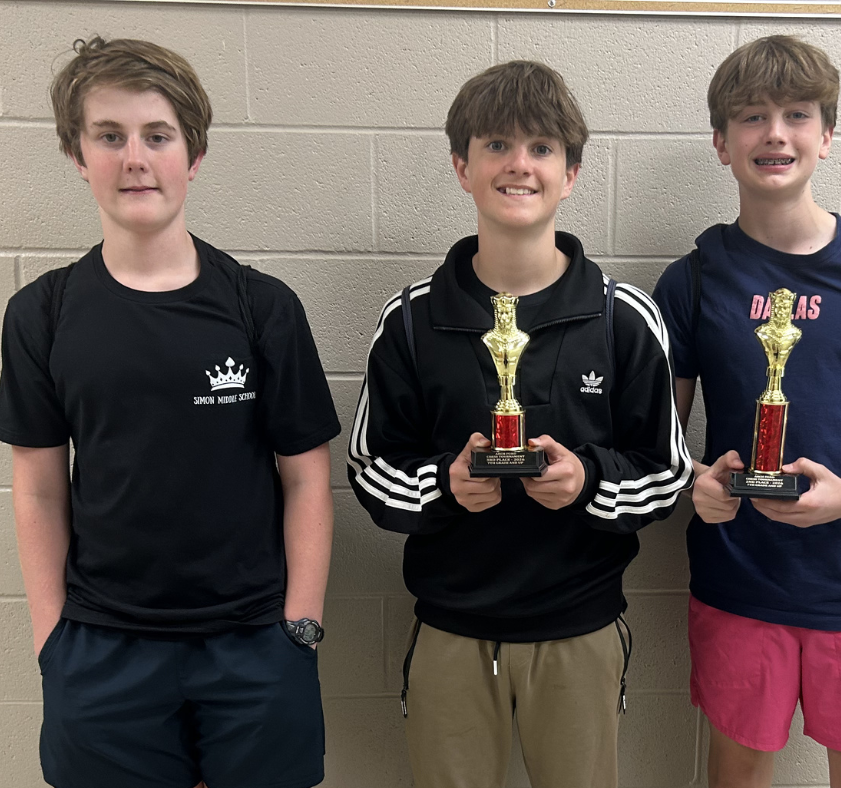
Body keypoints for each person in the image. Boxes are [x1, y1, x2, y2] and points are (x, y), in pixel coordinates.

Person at [0, 37, 339, 788]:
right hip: (100, 648)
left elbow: (308, 481)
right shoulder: (41, 315)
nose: (134, 158)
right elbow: (38, 489)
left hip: (255, 644)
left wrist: (301, 629)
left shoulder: (262, 307)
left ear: (194, 156)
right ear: (77, 154)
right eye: (109, 136)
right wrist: (52, 638)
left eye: (157, 136)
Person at [347, 60, 692, 788]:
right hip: (450, 631)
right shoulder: (409, 320)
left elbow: (665, 474)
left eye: (541, 148)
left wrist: (588, 482)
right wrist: (444, 485)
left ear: (570, 173)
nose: (519, 165)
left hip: (579, 630)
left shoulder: (622, 319)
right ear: (461, 166)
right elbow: (371, 470)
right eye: (497, 145)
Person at [653, 35, 841, 788]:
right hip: (740, 579)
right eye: (751, 117)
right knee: (738, 772)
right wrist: (696, 487)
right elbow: (660, 439)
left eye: (797, 114)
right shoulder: (691, 280)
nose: (774, 133)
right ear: (721, 142)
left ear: (827, 135)